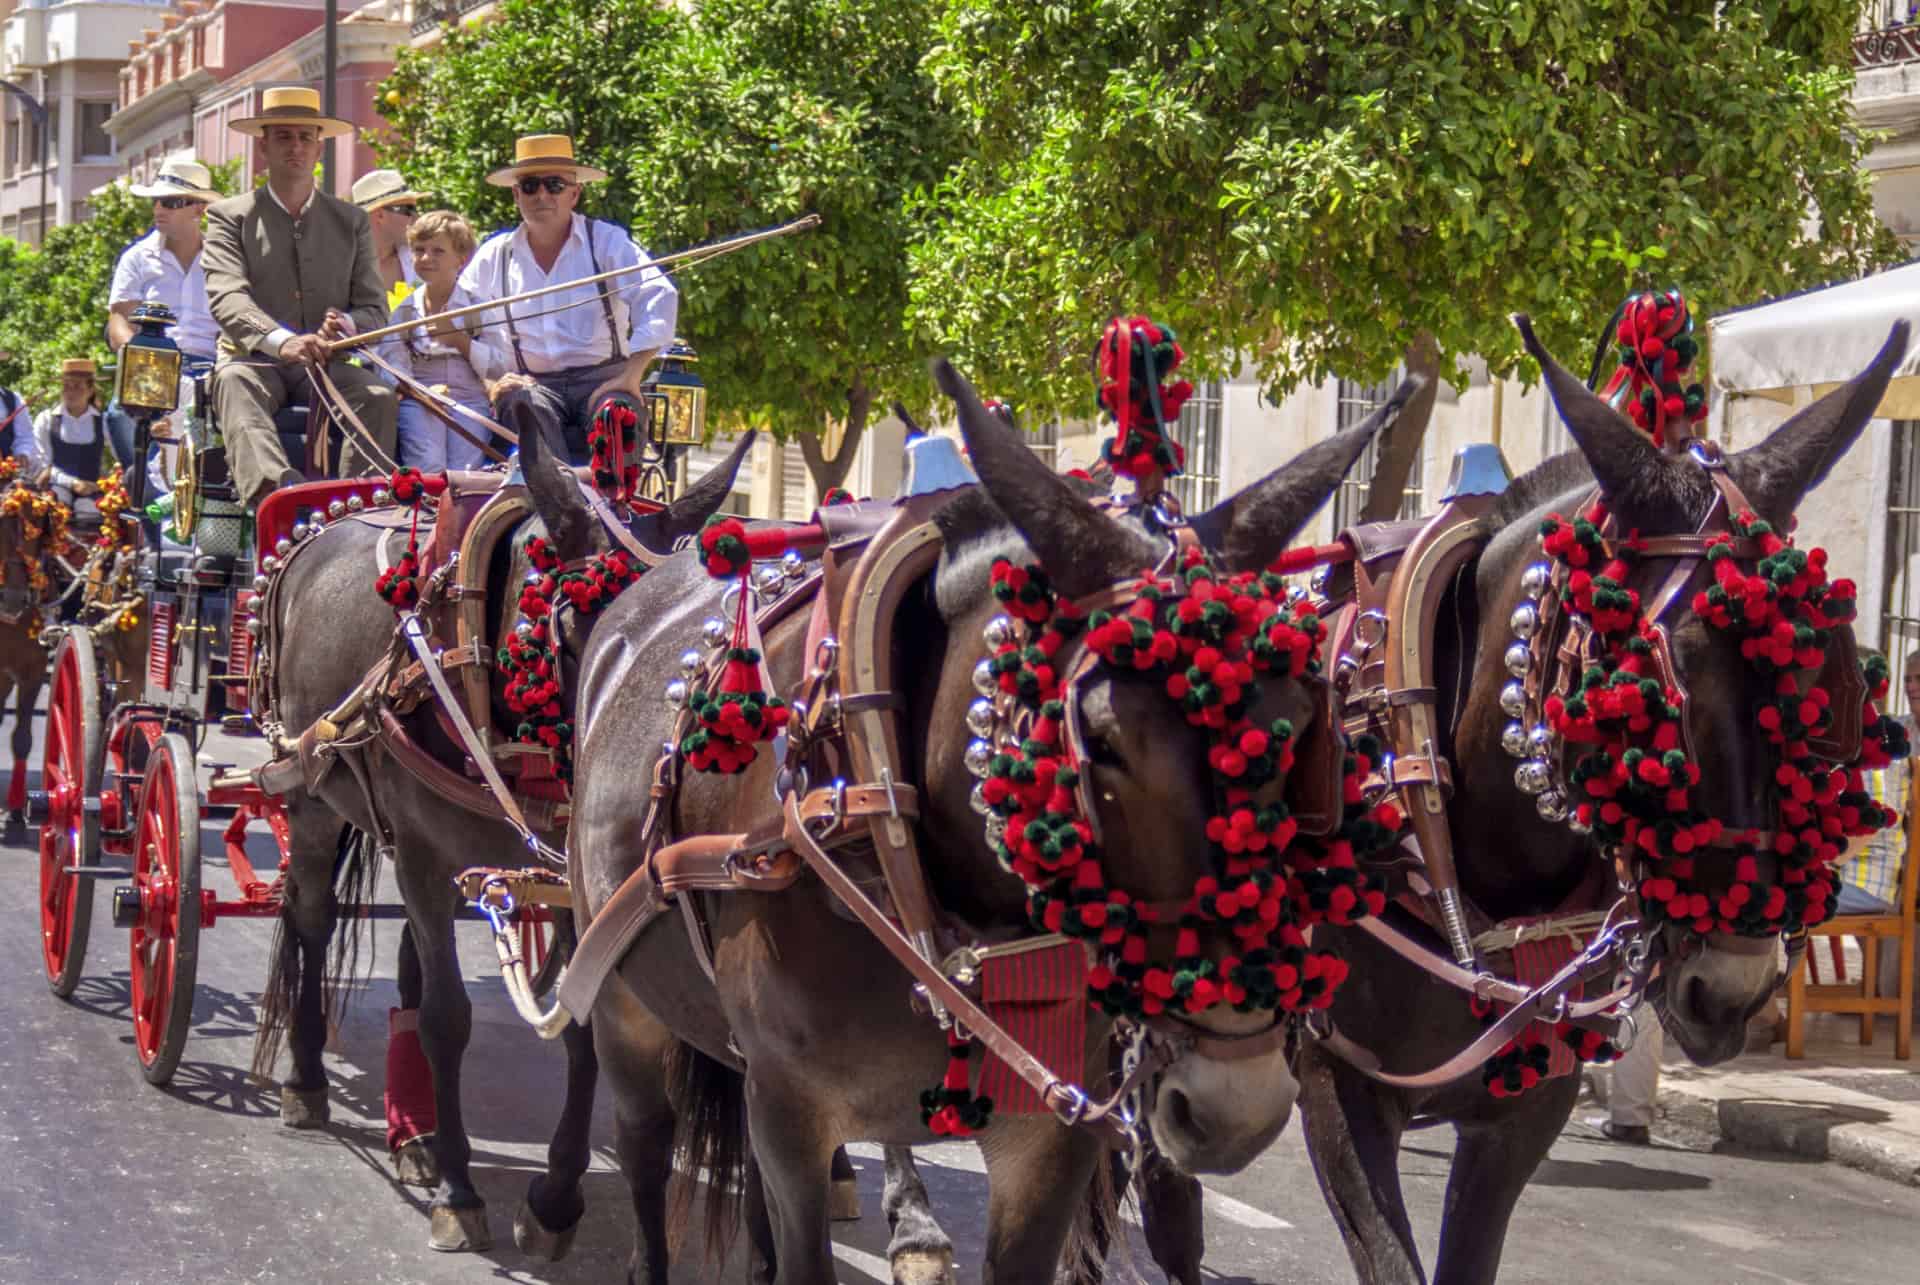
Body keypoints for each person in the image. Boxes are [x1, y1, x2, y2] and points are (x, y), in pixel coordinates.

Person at [202, 86, 395, 511]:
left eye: (306, 138)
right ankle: (278, 503)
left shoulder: (351, 221)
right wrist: (280, 340)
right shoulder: (229, 217)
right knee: (232, 383)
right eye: (285, 137)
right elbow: (226, 296)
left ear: (319, 148)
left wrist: (344, 329)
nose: (296, 148)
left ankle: (354, 511)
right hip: (256, 362)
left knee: (378, 397)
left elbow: (374, 310)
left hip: (327, 367)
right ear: (264, 146)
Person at [457, 133, 677, 463]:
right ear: (516, 195)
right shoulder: (494, 255)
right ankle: (555, 503)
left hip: (604, 380)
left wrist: (631, 376)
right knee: (523, 406)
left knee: (617, 416)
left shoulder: (606, 242)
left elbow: (659, 296)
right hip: (532, 385)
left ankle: (612, 507)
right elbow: (458, 321)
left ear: (574, 194)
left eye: (555, 185)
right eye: (531, 186)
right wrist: (490, 380)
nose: (542, 194)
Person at [108, 155, 224, 500]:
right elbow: (119, 320)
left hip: (211, 370)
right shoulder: (137, 258)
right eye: (156, 201)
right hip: (152, 367)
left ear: (198, 209)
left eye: (171, 202)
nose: (159, 208)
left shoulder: (224, 257)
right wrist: (138, 356)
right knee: (119, 416)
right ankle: (148, 495)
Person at [376, 210, 492, 472]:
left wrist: (458, 339)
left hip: (470, 400)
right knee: (428, 465)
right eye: (419, 250)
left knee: (464, 470)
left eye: (438, 251)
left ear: (461, 259)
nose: (426, 258)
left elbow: (498, 363)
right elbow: (391, 365)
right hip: (420, 399)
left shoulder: (477, 308)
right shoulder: (405, 311)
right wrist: (416, 392)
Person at [27, 359, 113, 521]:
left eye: (78, 387)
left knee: (88, 511)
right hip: (55, 485)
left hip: (91, 488)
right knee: (57, 507)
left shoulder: (104, 422)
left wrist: (102, 484)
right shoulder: (46, 419)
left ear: (90, 390)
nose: (70, 392)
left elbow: (120, 459)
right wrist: (71, 483)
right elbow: (39, 463)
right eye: (66, 386)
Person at [350, 168, 426, 295]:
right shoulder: (340, 264)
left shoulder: (422, 260)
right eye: (408, 209)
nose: (416, 216)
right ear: (380, 216)